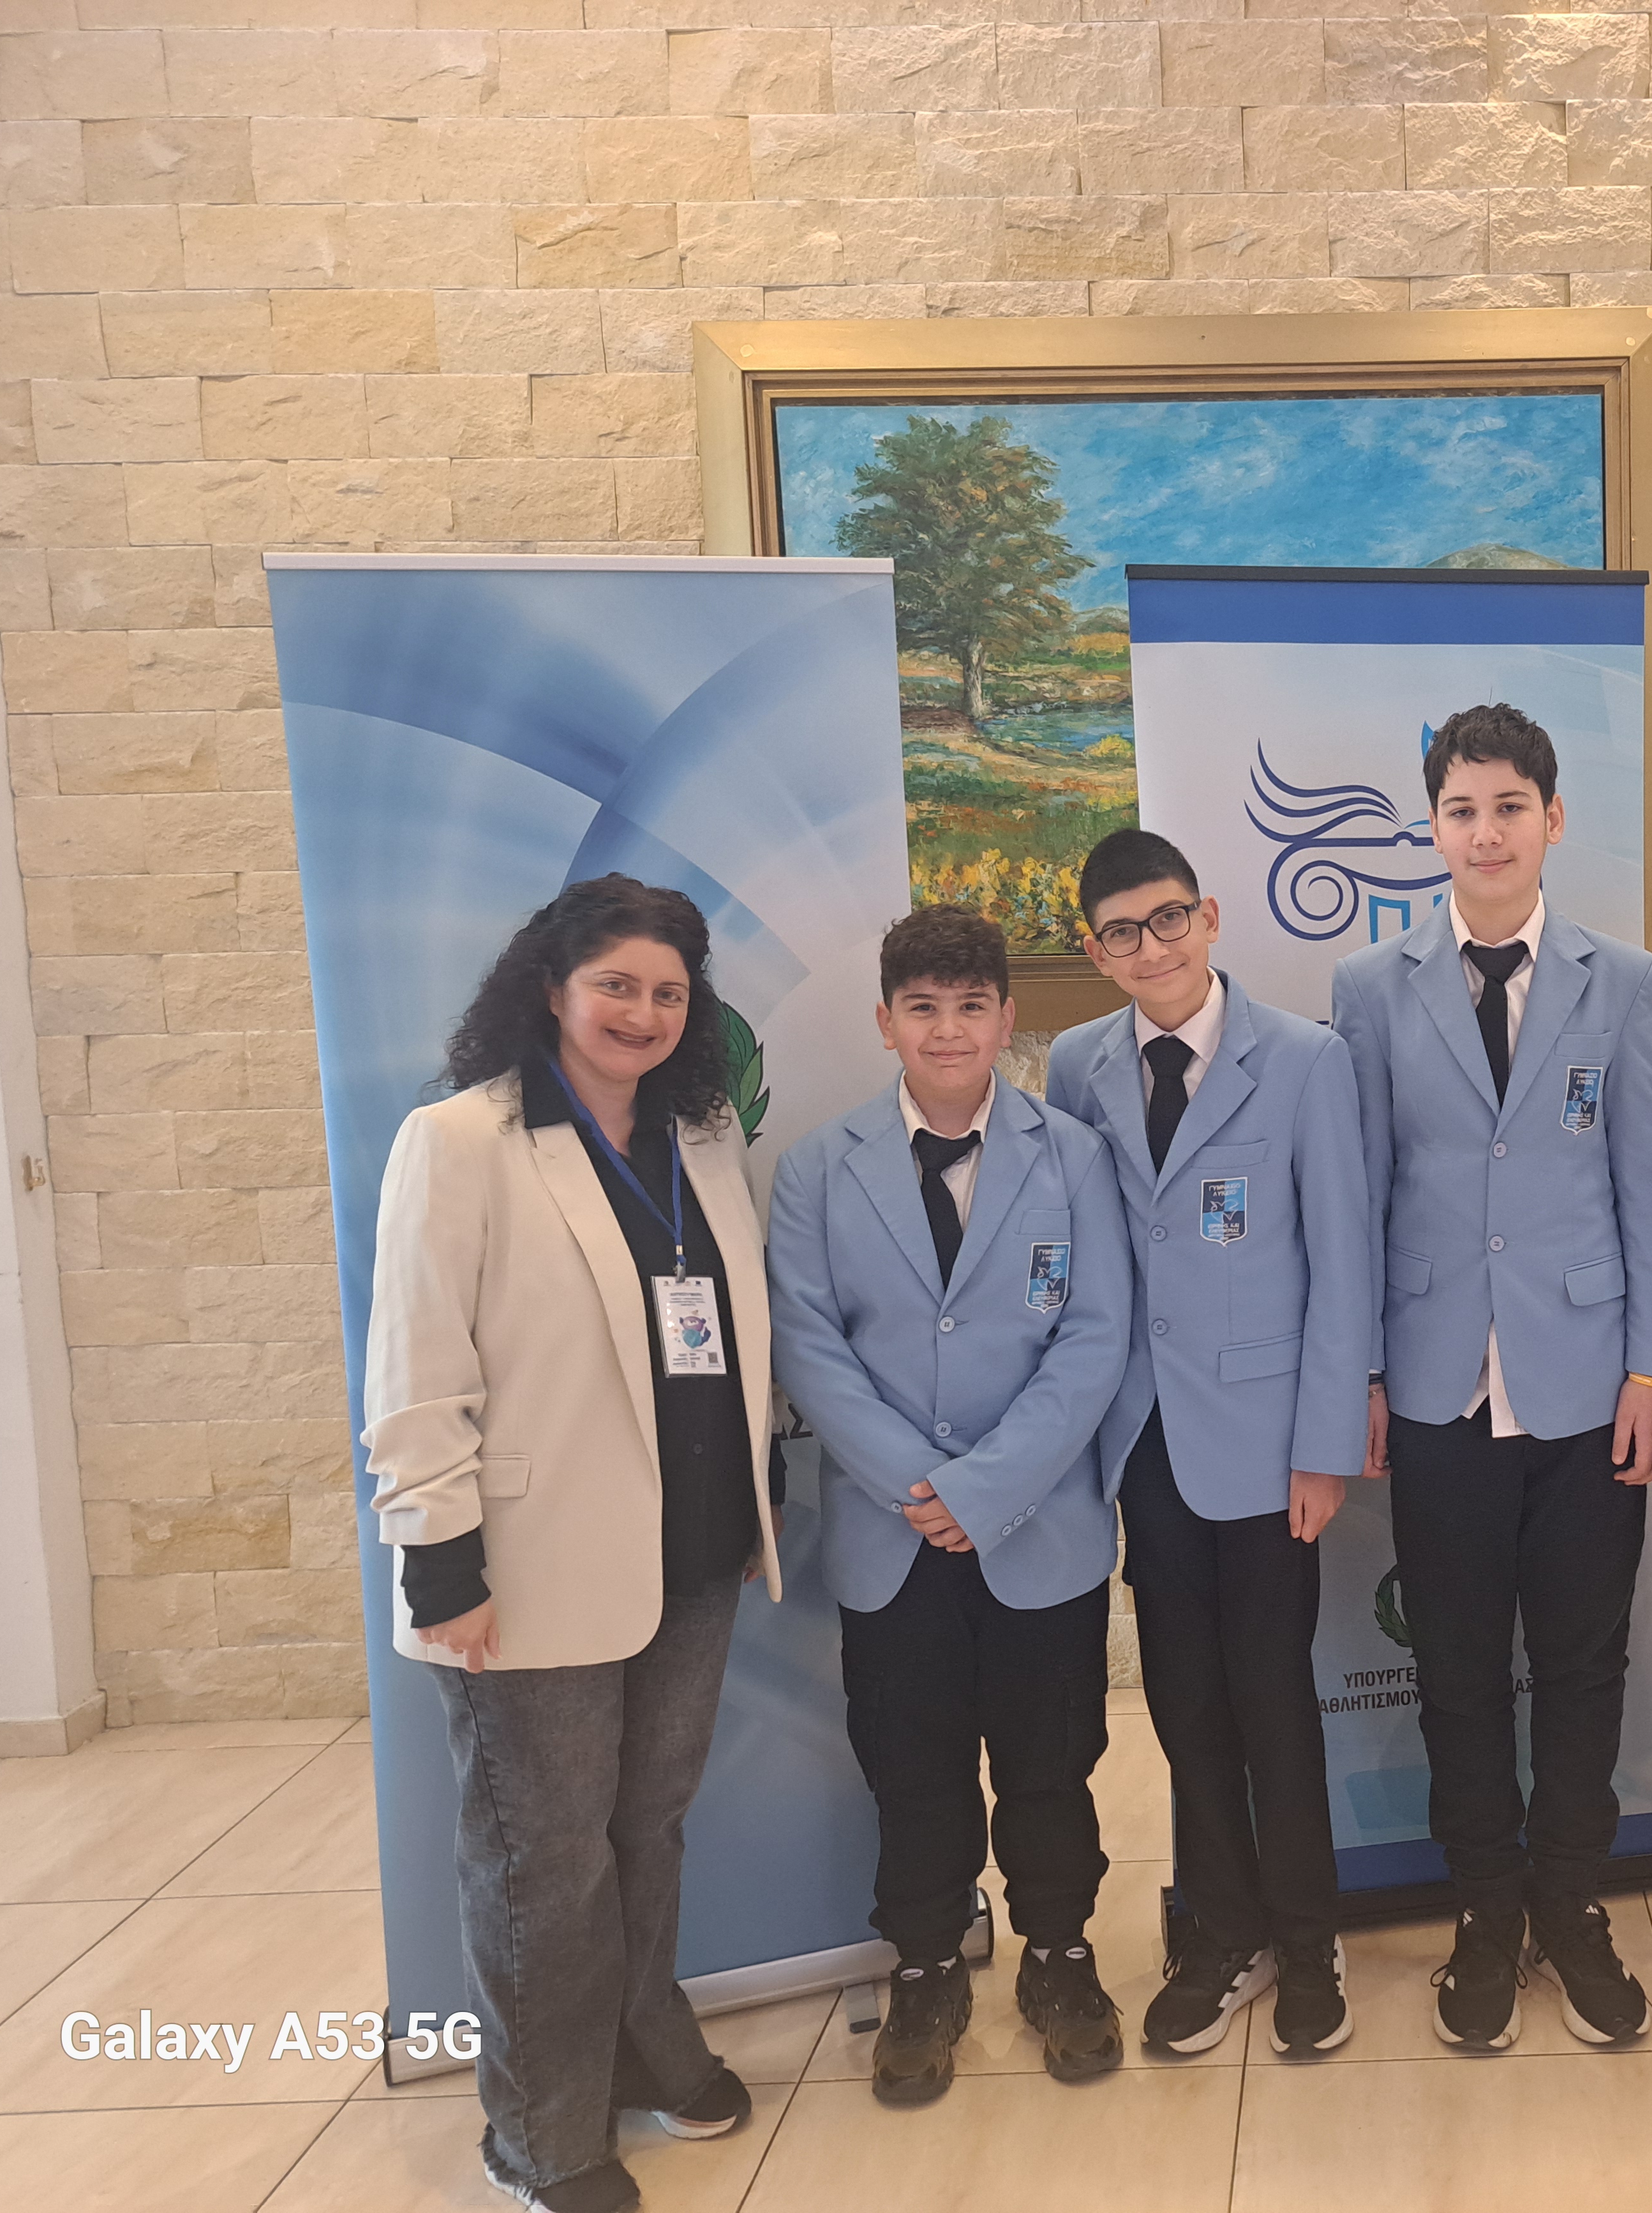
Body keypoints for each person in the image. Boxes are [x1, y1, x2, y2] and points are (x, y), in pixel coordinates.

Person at [364, 875, 778, 2213]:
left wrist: (759, 1486)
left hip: (694, 1549)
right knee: (542, 1857)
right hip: (527, 1566)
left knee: (647, 1826)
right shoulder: (460, 1141)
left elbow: (726, 1326)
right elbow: (415, 1370)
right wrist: (441, 1562)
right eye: (615, 986)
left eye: (667, 993)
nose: (642, 1014)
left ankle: (645, 2044)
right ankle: (540, 2132)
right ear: (550, 989)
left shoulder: (701, 1136)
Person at [1330, 701, 1652, 2052]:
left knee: (1585, 1663)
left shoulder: (1622, 982)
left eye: (1509, 807)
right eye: (1462, 810)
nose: (1486, 833)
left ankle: (1572, 1903)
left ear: (1552, 820)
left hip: (1588, 1382)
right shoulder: (1372, 989)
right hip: (1437, 1386)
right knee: (1458, 1666)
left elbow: (1644, 1188)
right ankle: (1485, 1908)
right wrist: (1363, 1372)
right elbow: (1360, 1194)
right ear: (1433, 829)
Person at [764, 906, 1134, 2107]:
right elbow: (810, 1347)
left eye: (972, 1006)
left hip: (1041, 1528)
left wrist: (985, 1489)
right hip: (893, 1535)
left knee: (1052, 1760)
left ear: (1007, 1019)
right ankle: (924, 1967)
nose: (947, 1030)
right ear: (886, 1022)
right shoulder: (820, 1169)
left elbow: (1096, 1338)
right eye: (922, 1008)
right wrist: (921, 1490)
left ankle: (1061, 1955)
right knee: (911, 1763)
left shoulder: (1074, 1158)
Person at [1044, 828, 1373, 2058]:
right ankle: (1224, 1933)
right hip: (1141, 1437)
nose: (1153, 948)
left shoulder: (1304, 1059)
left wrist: (1324, 1445)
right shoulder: (1076, 1067)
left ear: (1211, 917)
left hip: (1269, 1438)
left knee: (1273, 1699)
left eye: (1170, 919)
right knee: (1186, 1706)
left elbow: (1342, 1262)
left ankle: (1310, 1939)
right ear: (1097, 951)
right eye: (1123, 933)